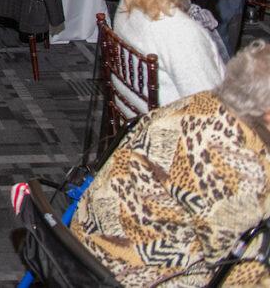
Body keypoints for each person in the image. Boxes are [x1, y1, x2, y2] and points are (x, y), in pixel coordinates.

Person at [70, 40, 270, 286]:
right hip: (125, 273)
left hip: (91, 241)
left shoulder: (207, 101)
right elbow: (239, 268)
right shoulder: (231, 160)